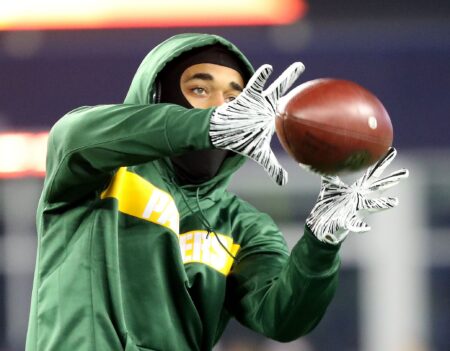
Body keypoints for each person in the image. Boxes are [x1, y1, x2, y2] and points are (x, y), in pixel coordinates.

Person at [26, 33, 408, 351]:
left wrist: (321, 244)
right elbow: (73, 135)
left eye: (233, 98)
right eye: (198, 89)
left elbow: (282, 317)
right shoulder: (97, 171)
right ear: (156, 95)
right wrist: (207, 125)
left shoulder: (242, 226)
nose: (221, 106)